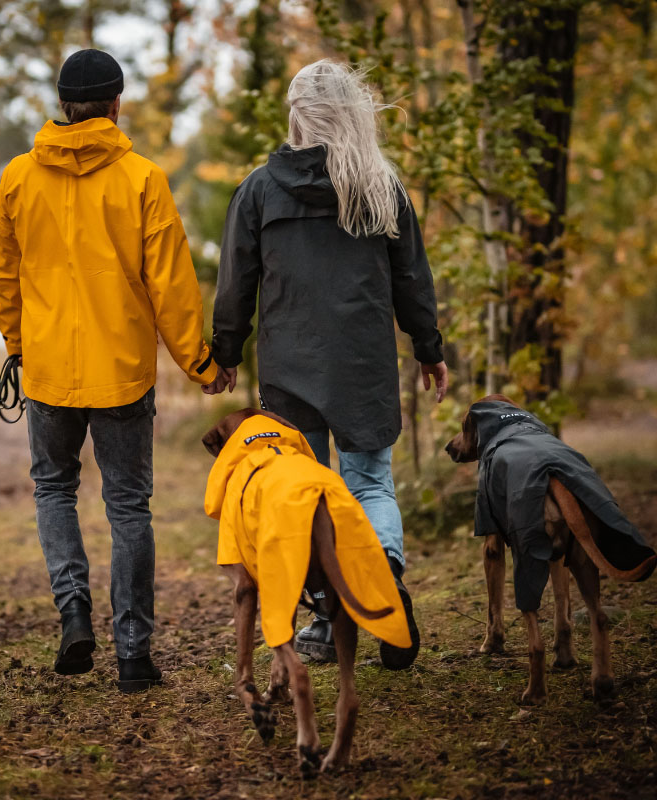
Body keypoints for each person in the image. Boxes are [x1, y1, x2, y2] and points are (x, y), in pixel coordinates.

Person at [0, 49, 228, 693]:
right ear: (117, 104)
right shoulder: (142, 178)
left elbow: (5, 275)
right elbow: (171, 284)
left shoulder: (18, 177)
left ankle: (74, 614)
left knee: (53, 490)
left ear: (62, 104)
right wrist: (200, 362)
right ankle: (133, 653)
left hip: (47, 372)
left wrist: (20, 345)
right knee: (128, 506)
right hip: (122, 373)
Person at [210, 59, 448, 670]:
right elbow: (411, 279)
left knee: (305, 496)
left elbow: (236, 283)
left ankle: (324, 617)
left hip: (290, 368)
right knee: (369, 484)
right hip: (362, 363)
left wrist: (226, 352)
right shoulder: (380, 187)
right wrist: (429, 348)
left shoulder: (259, 189)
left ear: (296, 116)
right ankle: (385, 576)